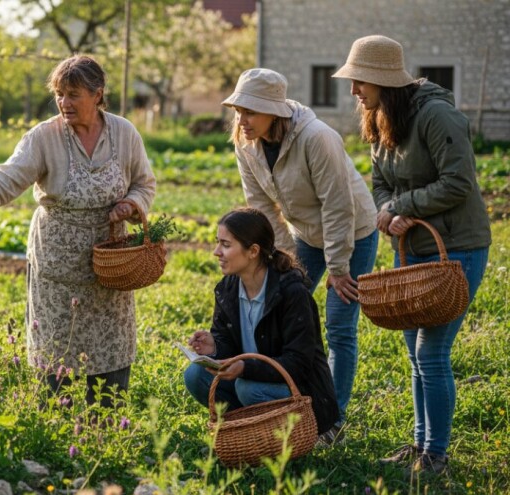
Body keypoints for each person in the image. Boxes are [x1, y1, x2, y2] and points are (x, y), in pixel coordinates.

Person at [0, 55, 156, 407]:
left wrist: (132, 205)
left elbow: (144, 184)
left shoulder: (124, 133)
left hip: (109, 264)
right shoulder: (44, 136)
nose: (64, 103)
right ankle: (53, 421)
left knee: (110, 343)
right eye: (59, 94)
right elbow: (10, 174)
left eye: (73, 95)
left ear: (98, 94)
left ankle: (108, 420)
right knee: (57, 344)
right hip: (58, 263)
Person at [333, 35, 491, 475]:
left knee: (432, 353)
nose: (353, 92)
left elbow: (459, 181)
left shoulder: (437, 116)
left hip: (458, 249)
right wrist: (389, 210)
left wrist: (403, 206)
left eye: (359, 81)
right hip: (413, 249)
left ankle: (436, 456)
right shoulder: (380, 119)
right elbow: (380, 181)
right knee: (414, 353)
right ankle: (421, 444)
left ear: (384, 80)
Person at [220, 68, 378, 440]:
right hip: (304, 234)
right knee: (282, 306)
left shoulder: (317, 138)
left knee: (339, 324)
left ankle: (332, 419)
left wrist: (339, 267)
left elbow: (338, 207)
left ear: (275, 111)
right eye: (238, 110)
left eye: (250, 112)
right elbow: (259, 206)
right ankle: (289, 395)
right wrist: (282, 259)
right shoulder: (246, 142)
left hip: (352, 232)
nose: (242, 120)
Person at [184, 208, 339, 438]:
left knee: (248, 388)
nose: (217, 252)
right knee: (195, 376)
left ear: (253, 251)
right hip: (252, 381)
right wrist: (214, 347)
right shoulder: (227, 288)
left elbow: (298, 363)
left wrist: (246, 368)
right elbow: (230, 344)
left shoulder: (292, 293)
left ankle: (305, 433)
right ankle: (254, 434)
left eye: (226, 245)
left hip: (301, 391)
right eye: (218, 243)